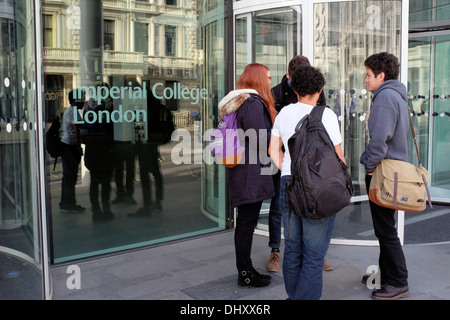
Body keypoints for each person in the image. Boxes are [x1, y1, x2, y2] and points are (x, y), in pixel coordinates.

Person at [269, 65, 345, 299]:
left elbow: (273, 150)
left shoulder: (284, 114)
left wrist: (289, 169)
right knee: (313, 255)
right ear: (320, 90)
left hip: (288, 184)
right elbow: (338, 157)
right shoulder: (327, 115)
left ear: (294, 87)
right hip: (318, 188)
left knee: (292, 250)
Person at [267, 55, 332, 273]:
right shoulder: (276, 94)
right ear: (289, 77)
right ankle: (275, 250)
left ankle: (314, 253)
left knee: (313, 207)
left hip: (312, 167)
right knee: (279, 207)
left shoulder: (317, 99)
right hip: (288, 166)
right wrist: (289, 164)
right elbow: (273, 138)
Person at [220, 63, 277, 287]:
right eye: (268, 78)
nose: (270, 82)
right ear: (258, 79)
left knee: (246, 223)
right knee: (246, 224)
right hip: (250, 174)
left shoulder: (238, 102)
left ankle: (246, 269)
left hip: (243, 171)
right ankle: (245, 272)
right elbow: (260, 139)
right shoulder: (252, 104)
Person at [360, 52, 410, 300]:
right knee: (384, 227)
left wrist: (368, 166)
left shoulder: (385, 98)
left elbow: (379, 142)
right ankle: (386, 275)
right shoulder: (396, 95)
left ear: (381, 75)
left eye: (368, 75)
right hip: (391, 171)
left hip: (383, 172)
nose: (365, 80)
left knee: (386, 229)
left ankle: (399, 281)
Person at [59, 89, 85, 213]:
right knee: (70, 176)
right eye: (82, 98)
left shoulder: (68, 111)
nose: (84, 101)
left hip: (66, 145)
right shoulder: (74, 112)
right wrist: (79, 147)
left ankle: (67, 202)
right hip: (70, 146)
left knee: (68, 176)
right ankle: (68, 203)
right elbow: (77, 131)